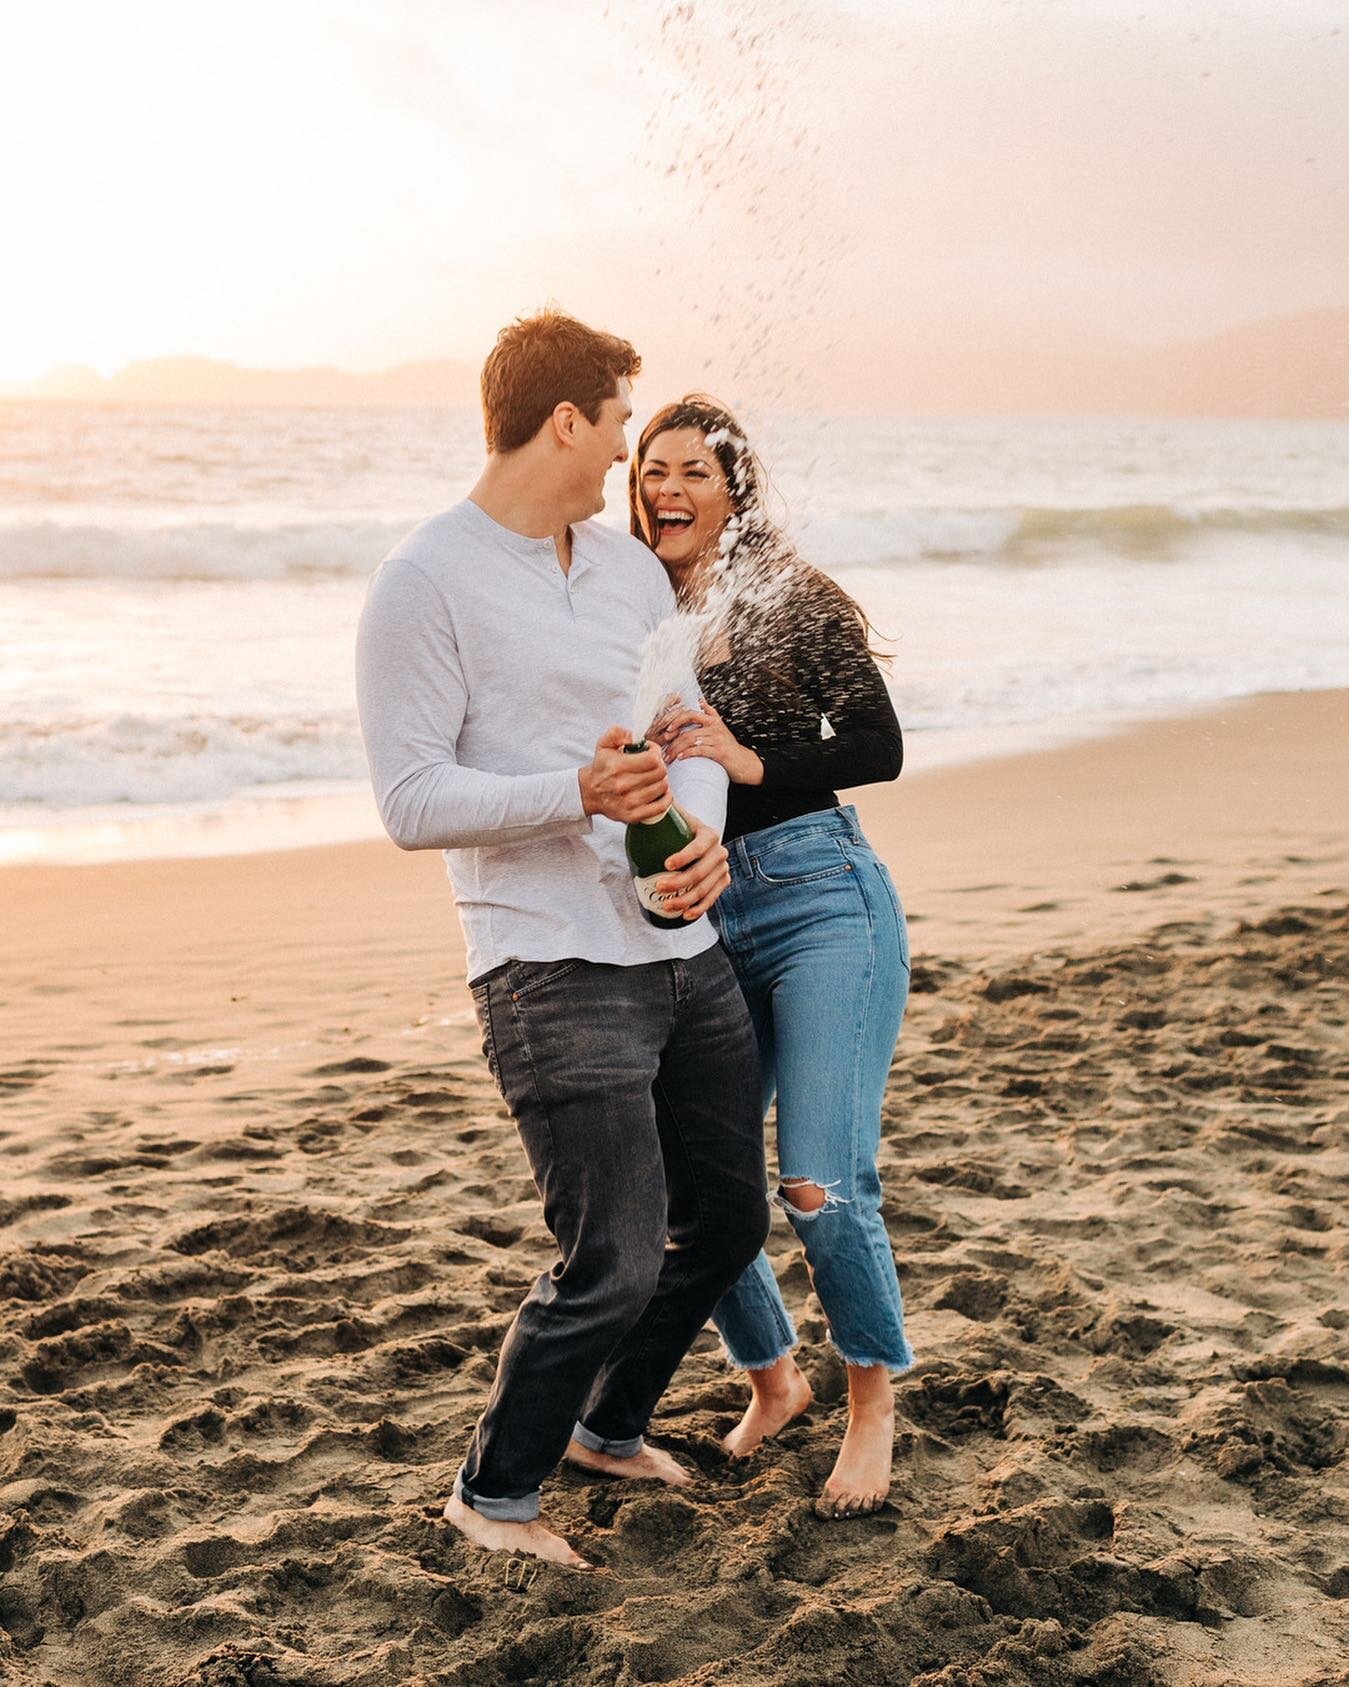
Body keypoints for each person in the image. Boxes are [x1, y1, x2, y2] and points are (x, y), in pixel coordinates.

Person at [356, 323, 771, 1568]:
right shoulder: (421, 583)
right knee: (611, 1255)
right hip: (544, 959)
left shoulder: (630, 573)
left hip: (674, 950)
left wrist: (700, 839)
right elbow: (410, 803)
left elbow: (680, 727)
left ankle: (606, 1424)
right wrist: (574, 794)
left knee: (728, 1222)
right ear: (566, 423)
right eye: (617, 419)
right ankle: (491, 1494)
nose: (630, 456)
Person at [630, 395, 913, 1520]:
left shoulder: (787, 598)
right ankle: (772, 1380)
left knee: (816, 1181)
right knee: (699, 1190)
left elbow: (878, 745)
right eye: (653, 469)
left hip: (817, 896)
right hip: (698, 912)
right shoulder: (632, 614)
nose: (669, 488)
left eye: (696, 471)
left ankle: (869, 1404)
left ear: (733, 492)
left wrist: (747, 758)